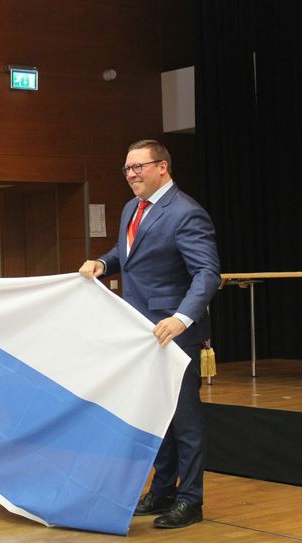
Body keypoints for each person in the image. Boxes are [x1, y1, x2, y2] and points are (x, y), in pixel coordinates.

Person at [79, 139, 220, 529]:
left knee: (185, 420)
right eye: (127, 169)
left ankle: (190, 500)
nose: (131, 175)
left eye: (139, 167)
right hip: (141, 331)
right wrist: (103, 262)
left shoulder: (186, 213)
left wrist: (182, 318)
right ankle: (162, 491)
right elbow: (128, 253)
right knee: (157, 415)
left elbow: (207, 274)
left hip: (176, 333)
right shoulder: (131, 208)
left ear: (163, 168)